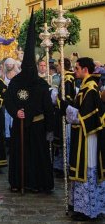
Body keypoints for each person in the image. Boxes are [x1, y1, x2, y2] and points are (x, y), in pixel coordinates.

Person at [5, 10, 54, 193]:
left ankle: (38, 183)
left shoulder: (41, 84)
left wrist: (50, 128)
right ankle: (19, 182)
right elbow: (8, 100)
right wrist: (15, 111)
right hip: (20, 126)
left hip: (38, 127)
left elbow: (48, 108)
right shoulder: (16, 82)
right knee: (20, 156)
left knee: (37, 157)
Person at [60, 57, 105, 221]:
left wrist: (65, 107)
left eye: (77, 68)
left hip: (88, 138)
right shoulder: (85, 87)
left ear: (85, 70)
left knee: (86, 170)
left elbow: (82, 117)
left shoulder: (91, 89)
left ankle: (88, 209)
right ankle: (81, 206)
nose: (75, 70)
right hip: (82, 136)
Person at [53, 58, 76, 178]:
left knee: (64, 140)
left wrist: (56, 98)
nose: (56, 67)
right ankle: (59, 165)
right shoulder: (65, 78)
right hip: (60, 112)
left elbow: (66, 99)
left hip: (64, 114)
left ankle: (64, 167)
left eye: (58, 65)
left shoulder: (67, 79)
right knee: (60, 140)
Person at [2, 58, 18, 150]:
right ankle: (8, 141)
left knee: (13, 121)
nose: (8, 66)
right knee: (6, 121)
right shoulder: (3, 75)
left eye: (10, 64)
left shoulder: (17, 75)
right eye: (7, 64)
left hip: (15, 102)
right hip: (6, 102)